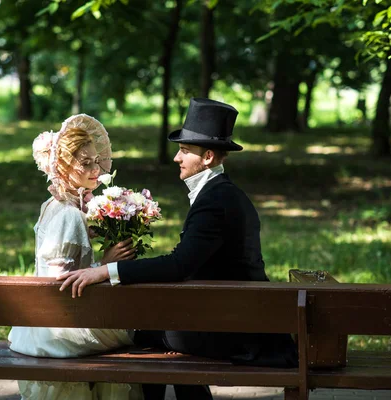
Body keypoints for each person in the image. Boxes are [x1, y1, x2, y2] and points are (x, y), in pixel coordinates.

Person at [57, 98, 298, 400]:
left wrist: (106, 270)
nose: (176, 158)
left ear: (208, 156)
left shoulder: (215, 201)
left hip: (237, 333)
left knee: (143, 334)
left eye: (184, 150)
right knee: (161, 327)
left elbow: (179, 265)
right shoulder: (221, 194)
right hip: (234, 318)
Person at [8, 114, 143, 400]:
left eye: (96, 161)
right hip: (58, 328)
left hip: (36, 322)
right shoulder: (71, 216)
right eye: (85, 163)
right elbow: (59, 283)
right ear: (64, 167)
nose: (96, 170)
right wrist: (105, 265)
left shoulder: (53, 205)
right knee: (135, 335)